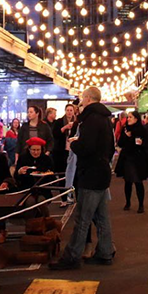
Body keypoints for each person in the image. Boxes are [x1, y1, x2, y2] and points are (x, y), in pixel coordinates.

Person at [49, 87, 115, 270]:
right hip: (101, 172)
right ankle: (105, 252)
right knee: (101, 217)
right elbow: (110, 147)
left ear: (87, 98)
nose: (81, 101)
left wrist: (74, 144)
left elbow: (87, 147)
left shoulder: (90, 120)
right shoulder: (105, 119)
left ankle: (71, 257)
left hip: (91, 173)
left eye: (82, 98)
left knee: (83, 217)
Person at [116, 110, 148, 213]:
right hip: (127, 158)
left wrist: (131, 138)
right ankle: (128, 202)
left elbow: (142, 144)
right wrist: (126, 136)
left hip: (138, 159)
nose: (128, 119)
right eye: (128, 117)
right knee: (127, 181)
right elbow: (120, 143)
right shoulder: (125, 129)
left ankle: (141, 204)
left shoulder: (141, 130)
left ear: (136, 119)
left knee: (138, 181)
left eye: (130, 117)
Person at [52, 104, 76, 173]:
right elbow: (55, 134)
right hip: (61, 149)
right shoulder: (59, 121)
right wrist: (65, 127)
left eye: (71, 110)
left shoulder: (77, 122)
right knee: (62, 168)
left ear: (73, 111)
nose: (69, 112)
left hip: (73, 148)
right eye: (67, 110)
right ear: (65, 111)